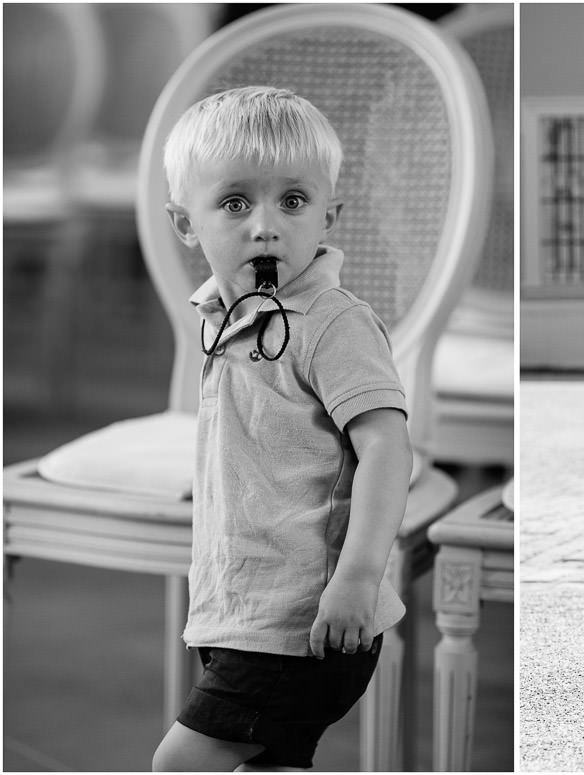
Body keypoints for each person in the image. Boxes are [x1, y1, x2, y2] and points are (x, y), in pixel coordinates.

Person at [150, 86, 412, 770]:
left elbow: (385, 445)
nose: (265, 225)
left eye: (292, 201)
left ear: (330, 214)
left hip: (303, 619)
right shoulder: (223, 315)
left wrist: (359, 574)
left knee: (178, 764)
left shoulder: (330, 320)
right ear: (186, 224)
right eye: (235, 202)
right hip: (239, 608)